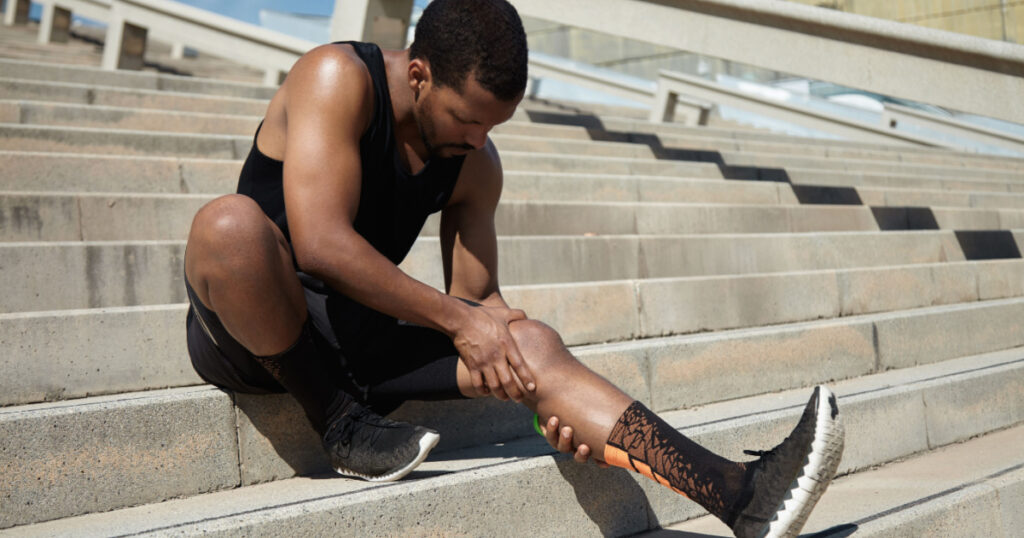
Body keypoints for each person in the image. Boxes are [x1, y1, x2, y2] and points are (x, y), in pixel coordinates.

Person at [182, 0, 845, 536]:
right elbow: (320, 243)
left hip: (362, 336)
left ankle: (736, 493)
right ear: (418, 75)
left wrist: (537, 388)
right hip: (260, 329)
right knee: (228, 226)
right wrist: (458, 320)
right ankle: (339, 423)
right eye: (467, 119)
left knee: (531, 343)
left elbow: (478, 300)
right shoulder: (337, 78)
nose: (477, 141)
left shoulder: (475, 160)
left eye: (492, 127)